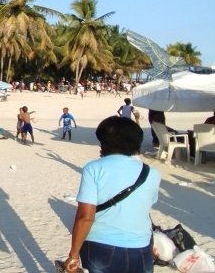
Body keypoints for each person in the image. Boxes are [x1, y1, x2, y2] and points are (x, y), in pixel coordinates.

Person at [63, 116, 161, 273]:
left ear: (106, 143)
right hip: (140, 248)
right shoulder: (152, 173)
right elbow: (145, 206)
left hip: (100, 247)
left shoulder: (94, 168)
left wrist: (73, 255)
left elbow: (85, 217)